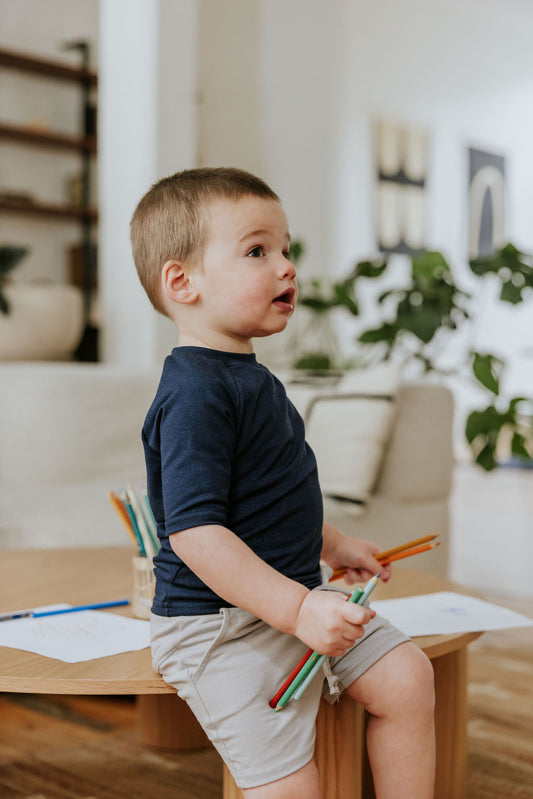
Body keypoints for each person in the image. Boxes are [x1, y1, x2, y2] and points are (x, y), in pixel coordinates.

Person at [130, 167, 435, 799]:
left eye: (286, 249)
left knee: (408, 677)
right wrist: (297, 609)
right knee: (289, 785)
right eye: (256, 251)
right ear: (182, 282)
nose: (287, 267)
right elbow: (194, 532)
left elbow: (269, 498)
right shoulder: (193, 394)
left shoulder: (255, 379)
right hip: (217, 625)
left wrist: (333, 543)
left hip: (294, 599)